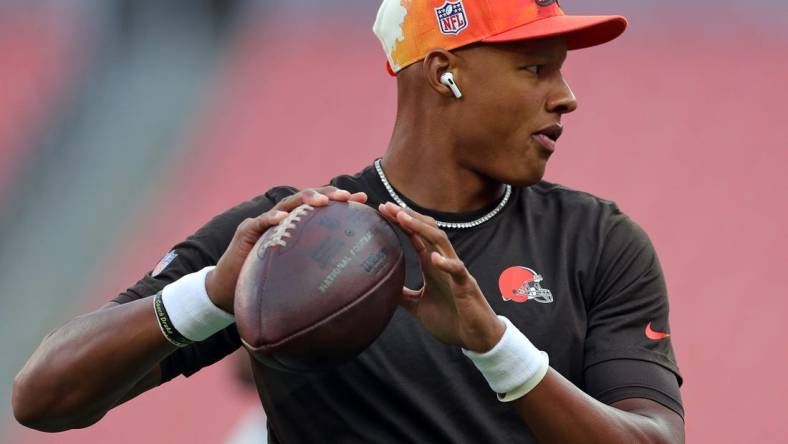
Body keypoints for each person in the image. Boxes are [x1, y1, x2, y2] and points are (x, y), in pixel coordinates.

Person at [12, 1, 685, 442]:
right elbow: (42, 397)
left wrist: (493, 345)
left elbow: (653, 438)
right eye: (535, 69)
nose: (565, 97)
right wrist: (212, 296)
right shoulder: (290, 236)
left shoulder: (598, 242)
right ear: (445, 73)